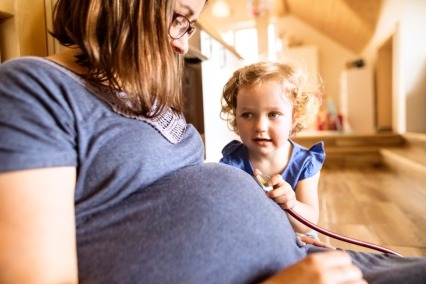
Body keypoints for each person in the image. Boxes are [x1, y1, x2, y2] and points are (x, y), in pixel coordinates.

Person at [0, 0, 425, 283]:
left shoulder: (144, 93)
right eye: (178, 17)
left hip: (307, 260)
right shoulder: (35, 89)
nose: (182, 42)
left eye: (190, 23)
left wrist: (280, 231)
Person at [219, 62, 324, 239]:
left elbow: (310, 222)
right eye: (247, 115)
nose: (260, 126)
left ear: (294, 118)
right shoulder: (232, 163)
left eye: (273, 114)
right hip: (253, 238)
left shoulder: (305, 163)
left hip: (299, 239)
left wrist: (291, 204)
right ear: (236, 117)